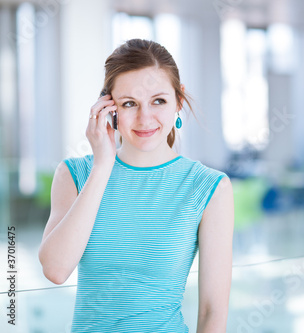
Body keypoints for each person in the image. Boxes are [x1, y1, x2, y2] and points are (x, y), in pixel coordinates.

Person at [38, 39, 234, 332]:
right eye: (129, 103)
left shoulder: (209, 187)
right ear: (108, 108)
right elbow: (55, 270)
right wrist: (102, 166)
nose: (145, 119)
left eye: (158, 101)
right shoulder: (74, 174)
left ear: (178, 101)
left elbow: (212, 312)